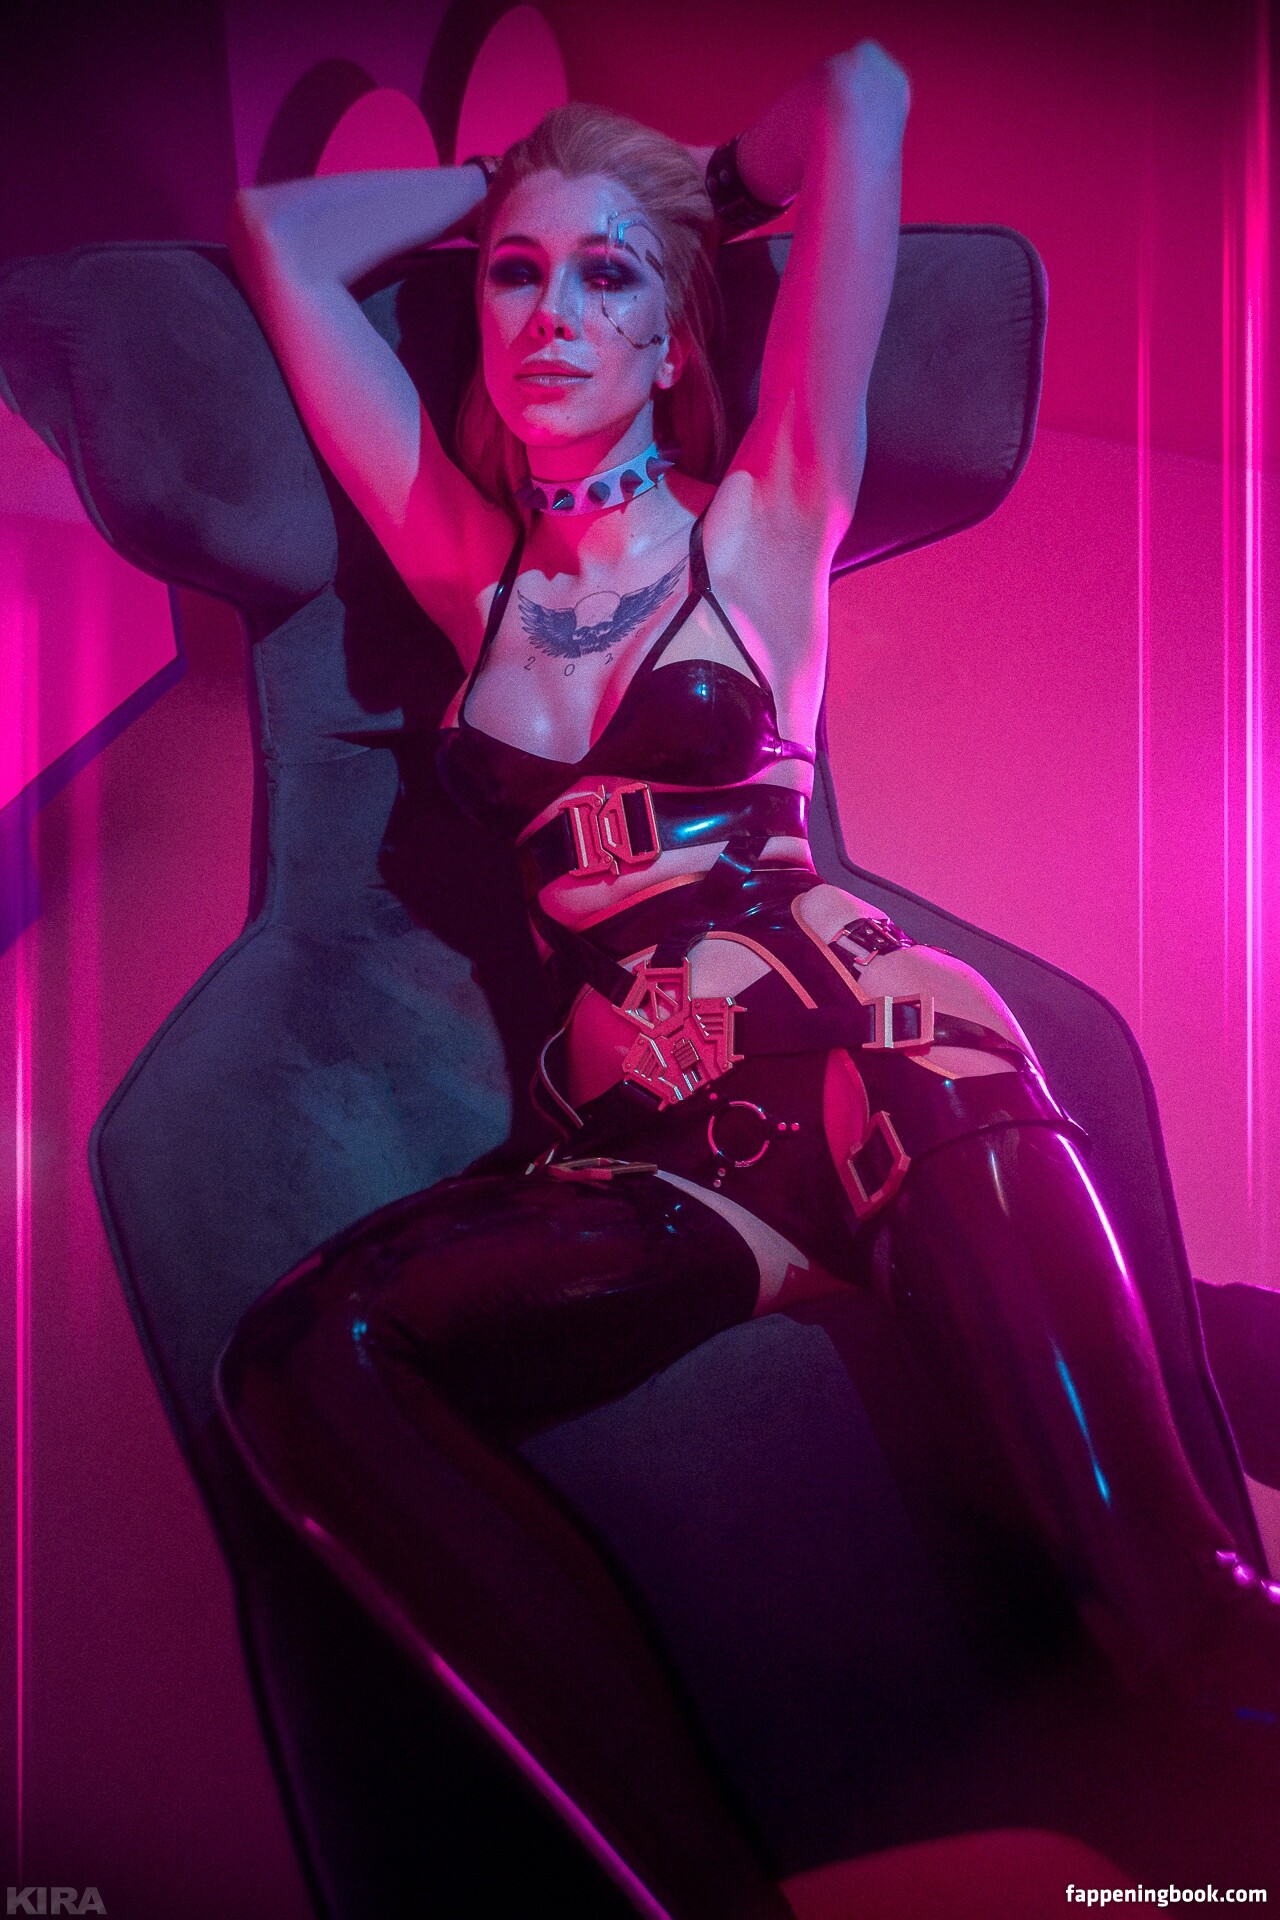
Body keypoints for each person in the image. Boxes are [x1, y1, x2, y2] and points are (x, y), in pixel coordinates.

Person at [218, 38, 1280, 1822]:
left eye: (606, 280)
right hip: (642, 1154)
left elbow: (862, 90)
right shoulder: (467, 571)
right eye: (516, 279)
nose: (553, 315)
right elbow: (278, 235)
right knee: (302, 1365)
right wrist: (510, 189)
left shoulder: (768, 523)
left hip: (884, 1076)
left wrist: (686, 195)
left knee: (1190, 1642)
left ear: (669, 338)